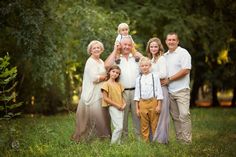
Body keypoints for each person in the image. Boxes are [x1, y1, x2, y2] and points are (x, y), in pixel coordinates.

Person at [71, 40, 111, 142]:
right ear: (90, 51)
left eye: (98, 48)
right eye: (94, 48)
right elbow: (94, 78)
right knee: (96, 116)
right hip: (93, 92)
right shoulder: (90, 62)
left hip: (100, 92)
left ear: (101, 49)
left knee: (102, 115)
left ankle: (103, 138)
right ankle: (93, 139)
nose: (96, 49)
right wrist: (106, 77)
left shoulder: (101, 61)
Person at [105, 36, 142, 139]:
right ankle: (124, 139)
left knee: (137, 116)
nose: (127, 47)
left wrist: (134, 50)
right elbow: (107, 65)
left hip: (136, 91)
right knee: (123, 117)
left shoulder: (136, 58)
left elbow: (146, 62)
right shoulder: (117, 59)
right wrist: (115, 50)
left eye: (129, 45)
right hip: (121, 92)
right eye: (124, 44)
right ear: (120, 45)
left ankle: (139, 139)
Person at [161, 32, 192, 143]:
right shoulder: (164, 56)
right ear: (166, 41)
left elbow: (186, 70)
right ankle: (180, 140)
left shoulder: (183, 53)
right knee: (175, 117)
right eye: (169, 40)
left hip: (182, 90)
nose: (171, 42)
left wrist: (169, 79)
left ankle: (187, 141)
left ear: (177, 41)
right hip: (169, 91)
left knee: (184, 115)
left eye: (174, 40)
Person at [146, 37, 170, 144]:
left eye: (155, 46)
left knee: (162, 115)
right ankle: (154, 138)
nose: (153, 48)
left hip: (162, 89)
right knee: (155, 114)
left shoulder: (161, 59)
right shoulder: (151, 60)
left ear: (159, 47)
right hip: (154, 91)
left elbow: (163, 74)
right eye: (151, 46)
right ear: (149, 48)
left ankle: (162, 140)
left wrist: (149, 76)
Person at [134, 57, 163, 142]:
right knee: (144, 124)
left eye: (146, 65)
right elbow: (137, 94)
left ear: (150, 66)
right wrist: (137, 108)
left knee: (154, 123)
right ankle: (145, 142)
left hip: (153, 101)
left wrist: (159, 105)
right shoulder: (138, 79)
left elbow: (159, 91)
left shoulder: (155, 76)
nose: (144, 67)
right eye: (142, 66)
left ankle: (156, 141)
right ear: (140, 67)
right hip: (142, 103)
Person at [101, 65, 126, 144]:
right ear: (109, 72)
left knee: (120, 126)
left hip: (121, 107)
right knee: (119, 127)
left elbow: (121, 97)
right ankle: (113, 144)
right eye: (113, 71)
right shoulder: (106, 84)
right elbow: (105, 98)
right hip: (113, 107)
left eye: (117, 73)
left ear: (119, 75)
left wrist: (124, 104)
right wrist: (117, 105)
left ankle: (118, 144)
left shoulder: (119, 84)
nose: (115, 74)